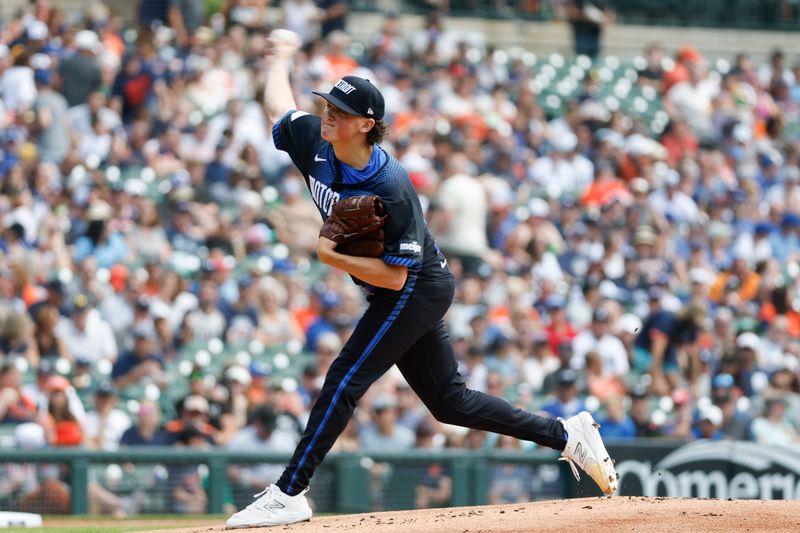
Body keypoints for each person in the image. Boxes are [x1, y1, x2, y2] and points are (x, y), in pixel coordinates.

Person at [225, 30, 618, 529]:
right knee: (450, 403)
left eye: (339, 112)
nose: (327, 115)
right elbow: (278, 108)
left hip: (414, 286)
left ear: (367, 125)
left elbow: (393, 280)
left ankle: (289, 493)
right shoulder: (317, 144)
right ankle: (567, 435)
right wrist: (279, 59)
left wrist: (332, 257)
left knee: (344, 380)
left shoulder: (389, 185)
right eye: (326, 105)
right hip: (393, 286)